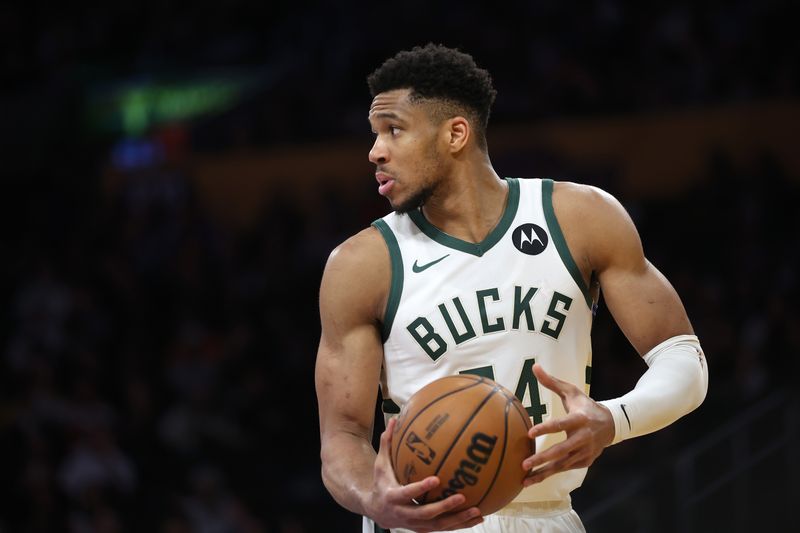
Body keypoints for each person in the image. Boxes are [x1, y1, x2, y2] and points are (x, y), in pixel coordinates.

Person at [315, 43, 708, 533]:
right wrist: (374, 499)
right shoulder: (361, 263)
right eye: (374, 134)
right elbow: (343, 436)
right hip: (425, 525)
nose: (375, 151)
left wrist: (615, 418)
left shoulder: (579, 218)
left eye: (393, 131)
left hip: (549, 517)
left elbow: (682, 358)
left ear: (455, 133)